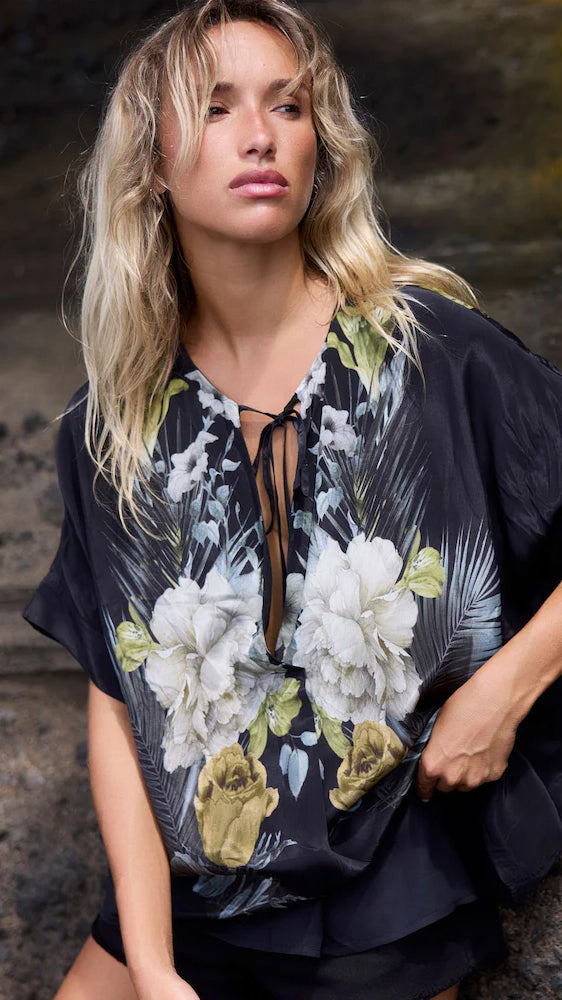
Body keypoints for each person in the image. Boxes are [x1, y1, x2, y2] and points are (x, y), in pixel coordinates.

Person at [22, 1, 562, 998]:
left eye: (288, 105)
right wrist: (150, 963)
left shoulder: (432, 355)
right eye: (215, 107)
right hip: (192, 893)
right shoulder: (114, 424)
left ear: (323, 146)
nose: (260, 135)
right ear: (151, 163)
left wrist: (503, 692)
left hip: (384, 891)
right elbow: (119, 700)